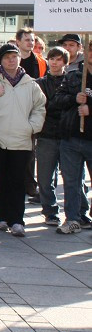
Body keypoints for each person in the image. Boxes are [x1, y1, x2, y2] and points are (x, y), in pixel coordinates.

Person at [0, 43, 45, 236]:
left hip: (22, 140)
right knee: (0, 180)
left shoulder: (30, 84)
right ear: (0, 61)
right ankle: (1, 217)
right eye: (7, 57)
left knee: (17, 181)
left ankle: (17, 220)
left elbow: (40, 108)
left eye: (14, 57)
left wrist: (32, 127)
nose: (11, 60)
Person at [51, 43, 92, 234]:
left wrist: (90, 110)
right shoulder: (74, 76)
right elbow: (57, 99)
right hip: (72, 138)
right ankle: (73, 219)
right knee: (71, 181)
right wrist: (74, 99)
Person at [35, 46, 69, 226]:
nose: (54, 63)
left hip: (66, 134)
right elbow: (40, 106)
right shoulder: (39, 83)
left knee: (72, 177)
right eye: (52, 59)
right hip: (46, 134)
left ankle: (77, 211)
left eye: (58, 59)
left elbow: (65, 105)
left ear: (65, 62)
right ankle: (50, 211)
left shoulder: (71, 81)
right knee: (45, 177)